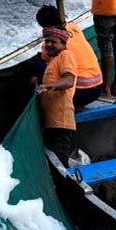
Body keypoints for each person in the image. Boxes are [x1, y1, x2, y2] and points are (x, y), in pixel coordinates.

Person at [30, 5, 104, 108]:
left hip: (80, 92)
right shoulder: (74, 26)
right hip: (98, 87)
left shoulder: (49, 45)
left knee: (35, 64)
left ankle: (35, 95)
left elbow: (45, 60)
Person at [35, 26, 78, 165]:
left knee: (60, 163)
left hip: (61, 122)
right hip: (50, 123)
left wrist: (47, 86)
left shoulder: (66, 56)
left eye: (53, 42)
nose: (48, 44)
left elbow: (69, 80)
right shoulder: (52, 60)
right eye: (46, 41)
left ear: (63, 43)